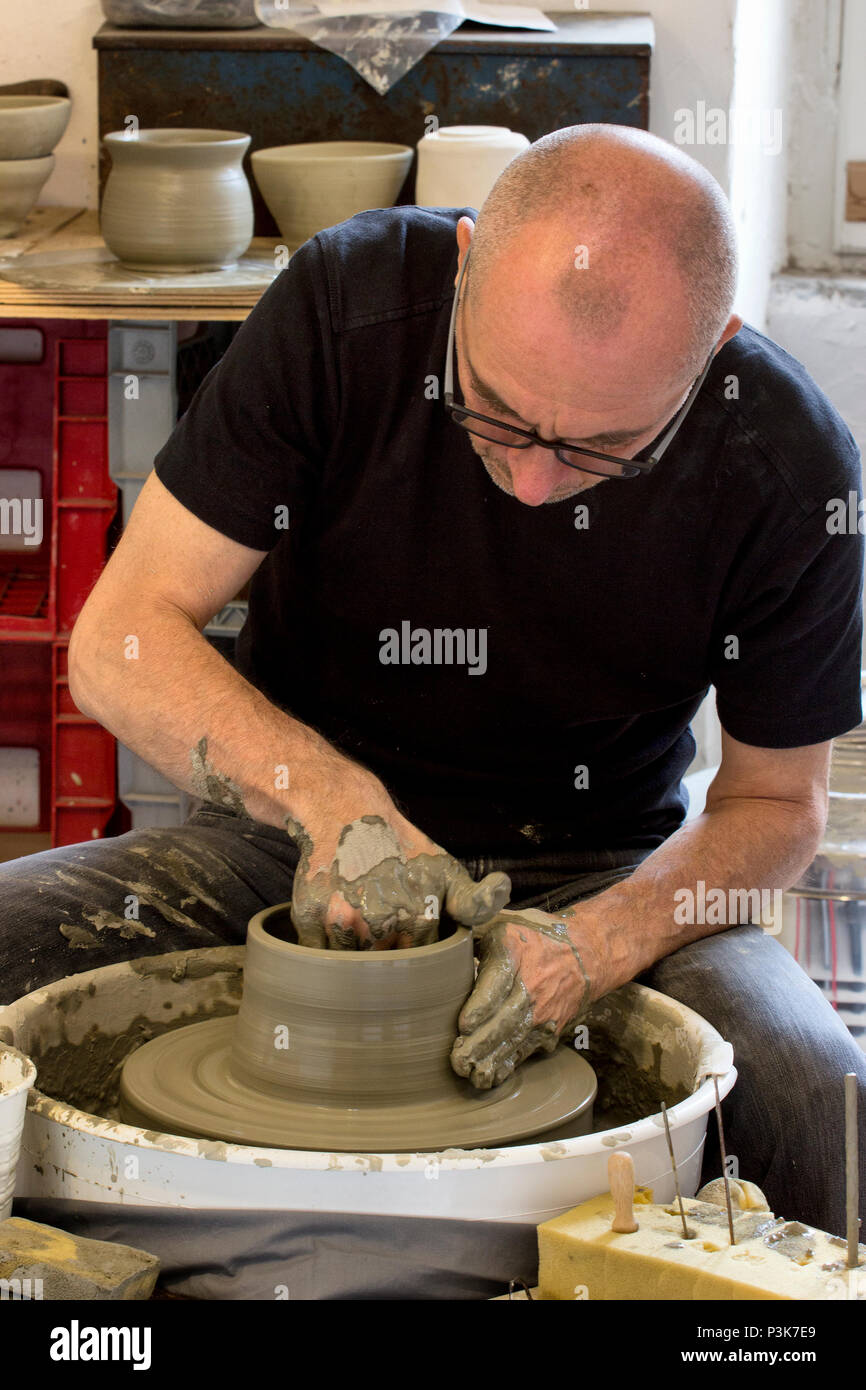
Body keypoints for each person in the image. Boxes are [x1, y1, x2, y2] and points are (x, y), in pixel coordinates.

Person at [2, 124, 864, 1239]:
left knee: (813, 1099)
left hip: (598, 863)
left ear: (713, 355)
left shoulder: (789, 466)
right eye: (493, 412)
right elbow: (119, 637)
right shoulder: (342, 310)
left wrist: (600, 941)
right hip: (286, 835)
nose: (532, 479)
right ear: (462, 267)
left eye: (600, 448)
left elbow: (775, 807)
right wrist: (327, 801)